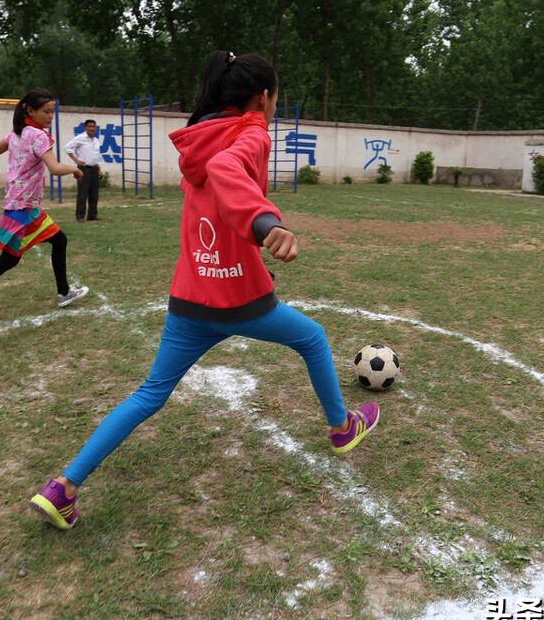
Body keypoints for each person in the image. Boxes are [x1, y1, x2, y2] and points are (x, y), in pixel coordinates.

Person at [29, 51, 379, 529]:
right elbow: (228, 172)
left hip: (191, 299)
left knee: (149, 394)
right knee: (313, 338)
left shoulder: (201, 135)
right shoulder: (251, 132)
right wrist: (264, 222)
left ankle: (62, 488)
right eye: (276, 97)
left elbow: (216, 179)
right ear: (263, 97)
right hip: (240, 300)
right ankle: (342, 429)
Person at [0, 89, 89, 325]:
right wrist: (74, 168)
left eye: (53, 112)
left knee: (57, 241)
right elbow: (53, 168)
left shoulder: (17, 133)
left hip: (23, 205)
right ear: (30, 111)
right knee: (9, 259)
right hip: (23, 207)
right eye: (46, 112)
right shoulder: (38, 136)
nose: (51, 116)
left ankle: (64, 292)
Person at [65, 119, 103, 222]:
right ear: (85, 128)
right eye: (89, 126)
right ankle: (80, 216)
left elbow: (97, 156)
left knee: (94, 194)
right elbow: (68, 148)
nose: (91, 128)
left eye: (93, 127)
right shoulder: (80, 138)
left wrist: (99, 169)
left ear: (96, 128)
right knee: (83, 193)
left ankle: (92, 215)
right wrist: (76, 160)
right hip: (84, 169)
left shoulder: (96, 140)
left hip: (94, 169)